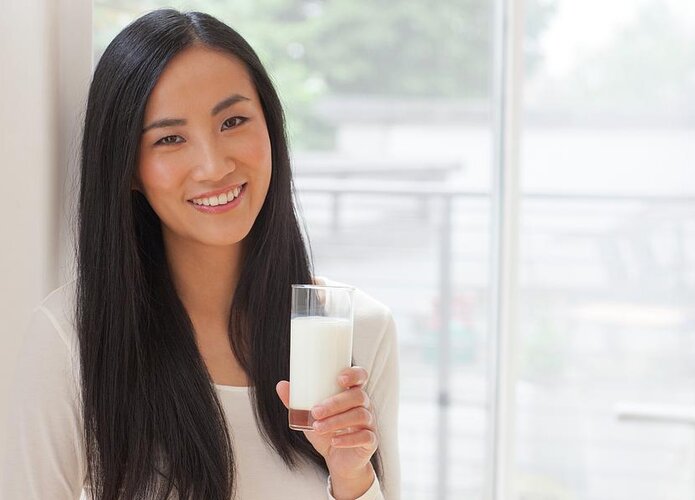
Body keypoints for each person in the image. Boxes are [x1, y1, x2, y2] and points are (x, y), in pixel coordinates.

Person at [0, 8, 400, 500]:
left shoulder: (360, 330)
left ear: (271, 128)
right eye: (170, 138)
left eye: (233, 121)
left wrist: (352, 478)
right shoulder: (73, 337)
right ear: (128, 168)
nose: (213, 165)